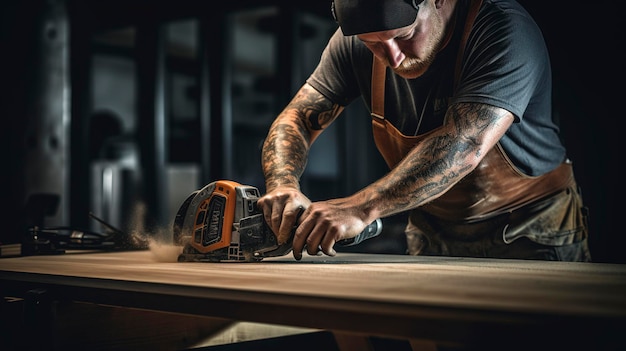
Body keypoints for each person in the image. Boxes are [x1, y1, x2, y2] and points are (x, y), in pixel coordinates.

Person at [256, 0, 591, 262]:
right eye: (373, 44)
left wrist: (359, 207)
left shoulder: (504, 29)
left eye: (405, 35)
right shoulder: (356, 43)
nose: (393, 57)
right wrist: (282, 184)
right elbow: (297, 117)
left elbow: (465, 143)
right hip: (433, 229)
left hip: (529, 227)